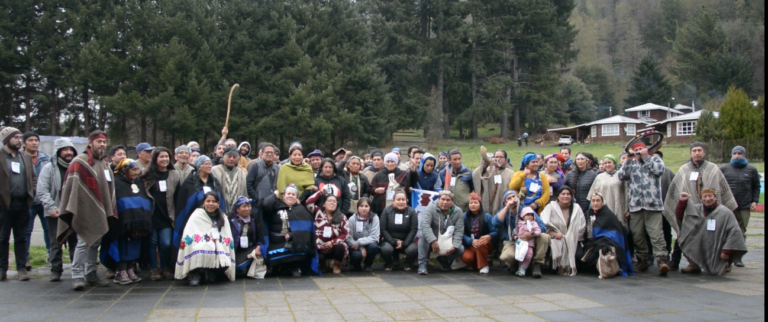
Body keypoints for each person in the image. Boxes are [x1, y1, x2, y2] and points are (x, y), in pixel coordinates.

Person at [662, 142, 738, 272]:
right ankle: (692, 263)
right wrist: (682, 201)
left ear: (704, 152)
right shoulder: (683, 170)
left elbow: (723, 189)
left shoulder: (713, 169)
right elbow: (675, 191)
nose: (697, 153)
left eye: (699, 150)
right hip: (691, 211)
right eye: (694, 151)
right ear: (690, 153)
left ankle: (722, 263)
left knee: (715, 236)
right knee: (685, 234)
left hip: (712, 210)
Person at [56, 130, 115, 290]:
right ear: (90, 143)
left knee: (96, 242)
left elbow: (107, 187)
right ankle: (77, 276)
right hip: (84, 209)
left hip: (100, 209)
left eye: (104, 142)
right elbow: (73, 189)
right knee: (83, 243)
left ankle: (91, 274)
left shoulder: (104, 163)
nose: (102, 145)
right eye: (98, 142)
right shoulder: (80, 162)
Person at [617, 142, 669, 275]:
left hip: (653, 205)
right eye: (636, 150)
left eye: (641, 149)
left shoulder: (654, 159)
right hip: (635, 205)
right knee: (637, 235)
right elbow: (621, 176)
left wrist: (646, 158)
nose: (638, 152)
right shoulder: (631, 163)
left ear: (646, 150)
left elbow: (659, 171)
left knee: (656, 234)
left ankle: (662, 260)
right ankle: (642, 260)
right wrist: (628, 160)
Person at [675, 188, 747, 275]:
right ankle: (693, 264)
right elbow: (681, 218)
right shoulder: (697, 209)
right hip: (701, 243)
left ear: (715, 197)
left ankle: (726, 264)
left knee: (715, 271)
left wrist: (727, 250)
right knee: (683, 237)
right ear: (701, 199)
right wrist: (682, 202)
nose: (708, 199)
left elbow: (734, 232)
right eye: (705, 196)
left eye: (710, 196)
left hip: (718, 246)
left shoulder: (725, 212)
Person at [37, 138, 79, 282]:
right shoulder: (48, 168)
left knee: (76, 242)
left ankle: (77, 270)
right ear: (58, 151)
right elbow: (42, 190)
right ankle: (56, 270)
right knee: (55, 242)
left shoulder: (77, 167)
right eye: (65, 149)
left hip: (73, 212)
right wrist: (52, 208)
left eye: (70, 150)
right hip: (55, 212)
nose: (68, 152)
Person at [175, 192, 236, 286]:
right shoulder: (196, 215)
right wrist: (207, 242)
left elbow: (226, 236)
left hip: (216, 243)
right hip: (199, 244)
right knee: (202, 247)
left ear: (218, 203)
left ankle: (210, 271)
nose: (211, 204)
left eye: (214, 201)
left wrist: (215, 242)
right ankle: (197, 273)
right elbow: (189, 234)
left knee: (220, 249)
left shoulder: (223, 217)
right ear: (203, 203)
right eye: (208, 201)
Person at [259, 184, 320, 277]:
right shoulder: (275, 205)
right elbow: (265, 205)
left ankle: (294, 266)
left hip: (293, 241)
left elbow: (306, 229)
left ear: (297, 197)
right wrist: (274, 195)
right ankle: (281, 267)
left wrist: (293, 235)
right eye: (288, 193)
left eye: (293, 194)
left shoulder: (301, 210)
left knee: (299, 247)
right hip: (275, 242)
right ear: (283, 195)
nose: (290, 196)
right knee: (269, 254)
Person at [0, 127, 36, 281]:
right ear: (7, 139)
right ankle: (2, 269)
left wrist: (32, 193)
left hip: (22, 204)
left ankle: (21, 269)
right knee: (2, 239)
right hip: (4, 205)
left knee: (21, 238)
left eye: (20, 137)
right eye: (15, 137)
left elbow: (33, 178)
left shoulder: (25, 157)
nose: (19, 140)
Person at [173, 155, 227, 257]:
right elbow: (184, 203)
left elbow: (220, 199)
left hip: (212, 220)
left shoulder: (214, 182)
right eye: (206, 164)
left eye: (210, 164)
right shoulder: (189, 182)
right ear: (199, 166)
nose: (209, 166)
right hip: (194, 220)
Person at [110, 159, 153, 285]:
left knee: (135, 245)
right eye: (133, 170)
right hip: (124, 223)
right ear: (124, 170)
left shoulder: (138, 182)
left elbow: (143, 199)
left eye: (137, 170)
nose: (136, 172)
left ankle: (130, 268)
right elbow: (119, 201)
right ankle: (120, 271)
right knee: (124, 246)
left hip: (139, 222)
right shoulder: (117, 183)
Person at [141, 147, 181, 281]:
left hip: (167, 215)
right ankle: (154, 268)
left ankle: (165, 267)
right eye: (161, 157)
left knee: (166, 243)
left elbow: (177, 194)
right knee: (152, 243)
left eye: (166, 157)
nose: (164, 159)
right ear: (155, 159)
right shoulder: (146, 174)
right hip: (151, 215)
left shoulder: (174, 174)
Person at [492, 190, 549, 278]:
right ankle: (516, 264)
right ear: (505, 201)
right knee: (506, 256)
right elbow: (495, 223)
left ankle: (537, 264)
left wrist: (531, 233)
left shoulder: (527, 210)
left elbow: (543, 227)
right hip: (512, 240)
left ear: (518, 197)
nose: (512, 199)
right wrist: (507, 207)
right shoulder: (504, 211)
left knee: (545, 237)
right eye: (509, 198)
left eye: (514, 196)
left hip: (530, 239)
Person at [581, 191, 634, 277]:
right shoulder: (588, 214)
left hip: (607, 242)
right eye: (593, 200)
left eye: (598, 200)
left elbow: (616, 234)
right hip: (592, 242)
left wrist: (603, 240)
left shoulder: (608, 215)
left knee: (602, 250)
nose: (595, 203)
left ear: (603, 202)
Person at [540, 186, 586, 276]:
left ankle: (568, 266)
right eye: (563, 194)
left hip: (573, 239)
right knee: (554, 249)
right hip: (555, 238)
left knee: (579, 256)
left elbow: (582, 225)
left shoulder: (577, 208)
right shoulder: (550, 207)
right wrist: (554, 234)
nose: (566, 196)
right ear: (558, 196)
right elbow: (543, 224)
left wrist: (571, 236)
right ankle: (556, 266)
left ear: (572, 197)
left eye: (568, 194)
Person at [720, 146, 760, 249]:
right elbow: (718, 186)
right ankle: (726, 255)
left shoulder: (752, 170)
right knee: (726, 230)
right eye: (735, 153)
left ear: (744, 155)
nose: (737, 156)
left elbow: (756, 186)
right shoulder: (724, 169)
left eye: (739, 153)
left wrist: (755, 201)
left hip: (744, 205)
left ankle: (738, 255)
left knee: (741, 230)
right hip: (728, 205)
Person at [22, 131, 51, 271]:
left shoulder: (46, 158)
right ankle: (24, 259)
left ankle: (52, 256)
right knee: (26, 231)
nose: (34, 142)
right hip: (28, 202)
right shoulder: (20, 158)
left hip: (45, 201)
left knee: (49, 230)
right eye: (30, 140)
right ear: (23, 143)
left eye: (36, 140)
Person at [417, 190, 464, 275]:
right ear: (439, 200)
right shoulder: (431, 207)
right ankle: (422, 264)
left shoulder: (458, 211)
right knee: (423, 236)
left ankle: (443, 259)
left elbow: (459, 230)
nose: (445, 202)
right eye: (442, 199)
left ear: (452, 201)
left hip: (448, 240)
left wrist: (455, 245)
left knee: (460, 249)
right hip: (432, 239)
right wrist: (433, 241)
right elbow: (424, 224)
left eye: (448, 200)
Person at [307, 192, 348, 275]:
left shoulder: (341, 217)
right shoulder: (317, 212)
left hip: (334, 247)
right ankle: (322, 265)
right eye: (330, 201)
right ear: (324, 204)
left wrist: (332, 242)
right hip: (320, 246)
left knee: (341, 247)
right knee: (318, 254)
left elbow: (345, 234)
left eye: (334, 201)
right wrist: (320, 192)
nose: (332, 203)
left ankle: (336, 265)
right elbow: (308, 202)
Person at [379, 192, 418, 271]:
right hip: (390, 241)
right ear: (393, 201)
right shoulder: (386, 211)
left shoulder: (412, 212)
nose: (401, 202)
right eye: (398, 199)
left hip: (406, 241)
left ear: (406, 200)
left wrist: (405, 243)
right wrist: (393, 242)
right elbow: (383, 229)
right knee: (385, 249)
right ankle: (388, 263)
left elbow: (413, 229)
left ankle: (408, 263)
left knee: (413, 249)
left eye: (403, 199)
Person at [460, 192, 498, 274]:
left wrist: (489, 236)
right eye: (471, 203)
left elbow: (495, 232)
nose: (473, 205)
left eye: (475, 203)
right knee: (466, 258)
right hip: (471, 244)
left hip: (485, 243)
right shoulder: (464, 216)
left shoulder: (487, 216)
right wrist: (470, 241)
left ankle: (483, 265)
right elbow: (461, 233)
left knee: (481, 242)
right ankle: (477, 265)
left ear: (480, 204)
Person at [228, 196, 265, 278]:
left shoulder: (254, 219)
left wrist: (258, 246)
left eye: (249, 206)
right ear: (237, 209)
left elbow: (260, 235)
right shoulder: (230, 219)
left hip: (250, 248)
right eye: (244, 206)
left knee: (260, 250)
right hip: (234, 250)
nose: (247, 209)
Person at [588, 155, 627, 229]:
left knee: (620, 227)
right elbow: (593, 194)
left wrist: (627, 209)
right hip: (604, 207)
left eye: (609, 162)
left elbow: (626, 192)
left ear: (614, 164)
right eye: (605, 163)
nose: (607, 165)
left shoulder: (621, 175)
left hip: (619, 206)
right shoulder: (599, 177)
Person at [472, 148, 513, 216]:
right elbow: (476, 175)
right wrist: (484, 166)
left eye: (501, 157)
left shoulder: (510, 173)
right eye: (496, 157)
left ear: (505, 159)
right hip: (488, 204)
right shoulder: (488, 170)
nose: (498, 159)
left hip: (502, 204)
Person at [346, 198, 380, 271]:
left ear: (370, 207)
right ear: (357, 207)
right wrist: (359, 247)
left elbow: (374, 236)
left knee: (374, 247)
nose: (363, 208)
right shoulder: (352, 219)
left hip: (368, 243)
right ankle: (355, 264)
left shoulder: (375, 218)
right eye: (361, 206)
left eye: (366, 206)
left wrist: (360, 242)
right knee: (357, 256)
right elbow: (349, 237)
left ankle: (368, 264)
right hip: (355, 245)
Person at [211, 146, 248, 212]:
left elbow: (245, 194)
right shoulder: (215, 170)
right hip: (219, 210)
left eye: (234, 157)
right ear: (223, 157)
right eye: (229, 156)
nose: (231, 159)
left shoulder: (242, 173)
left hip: (237, 213)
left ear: (238, 159)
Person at [246, 142, 281, 208]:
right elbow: (248, 184)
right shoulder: (255, 166)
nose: (269, 154)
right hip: (258, 204)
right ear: (261, 153)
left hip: (273, 203)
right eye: (267, 152)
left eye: (272, 152)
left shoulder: (277, 168)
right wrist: (257, 198)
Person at [512, 207, 541, 276]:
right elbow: (515, 231)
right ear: (523, 216)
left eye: (532, 215)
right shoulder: (519, 223)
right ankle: (519, 268)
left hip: (529, 243)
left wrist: (532, 233)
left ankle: (523, 268)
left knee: (529, 254)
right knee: (520, 255)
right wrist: (515, 236)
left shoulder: (534, 223)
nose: (530, 217)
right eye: (527, 215)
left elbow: (538, 231)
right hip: (520, 243)